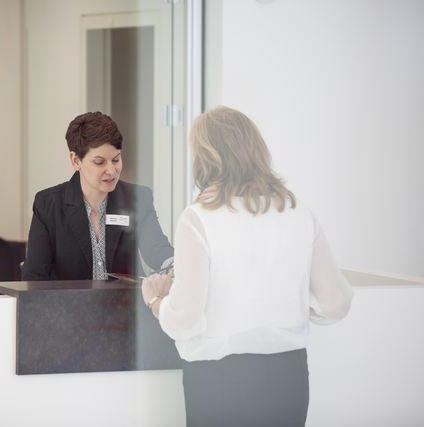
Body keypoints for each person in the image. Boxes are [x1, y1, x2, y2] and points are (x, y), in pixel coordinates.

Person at [142, 106, 353, 426]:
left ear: (204, 158)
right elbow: (336, 304)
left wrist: (156, 301)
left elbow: (185, 321)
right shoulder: (298, 213)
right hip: (288, 379)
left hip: (219, 382)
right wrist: (287, 308)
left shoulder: (198, 218)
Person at [22, 112, 173, 281]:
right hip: (68, 306)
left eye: (116, 159)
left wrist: (175, 266)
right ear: (75, 160)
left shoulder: (138, 198)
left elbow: (158, 249)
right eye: (99, 162)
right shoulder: (48, 205)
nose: (112, 170)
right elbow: (34, 278)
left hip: (125, 305)